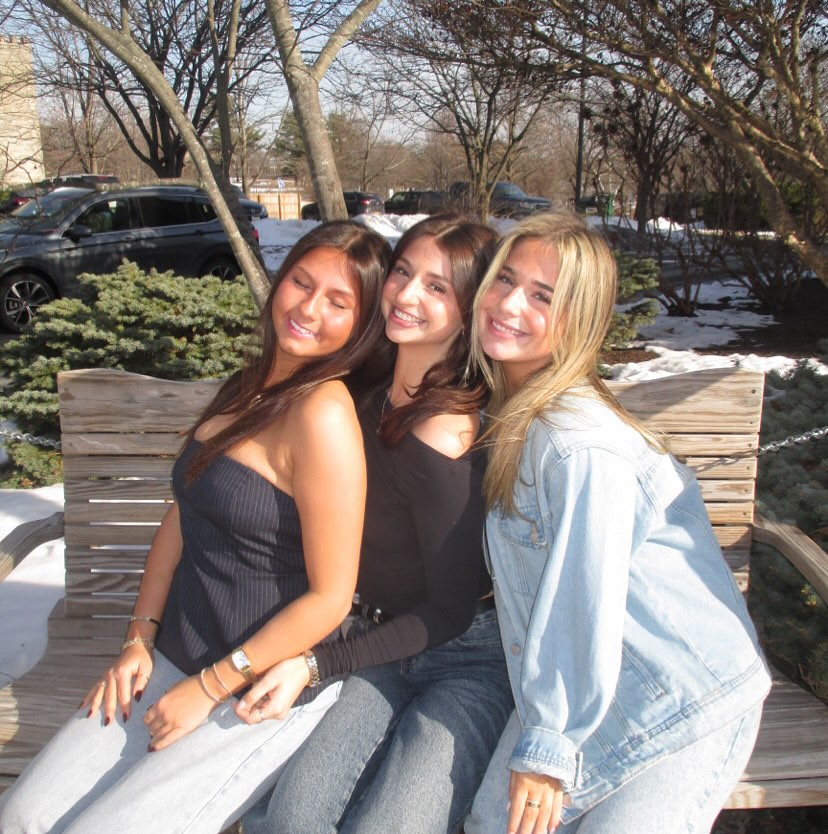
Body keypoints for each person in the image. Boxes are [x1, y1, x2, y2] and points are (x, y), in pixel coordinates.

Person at [0, 221, 392, 834]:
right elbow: (183, 514)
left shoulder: (323, 414)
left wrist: (210, 688)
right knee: (23, 817)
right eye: (301, 282)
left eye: (339, 302)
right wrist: (138, 638)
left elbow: (331, 598)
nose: (309, 308)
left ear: (362, 326)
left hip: (255, 691)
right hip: (172, 656)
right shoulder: (248, 385)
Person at [463, 212, 772, 834]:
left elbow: (579, 595)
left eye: (543, 296)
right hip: (582, 682)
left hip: (679, 697)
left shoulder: (578, 444)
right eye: (506, 279)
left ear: (579, 318)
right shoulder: (512, 409)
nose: (509, 304)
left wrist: (547, 747)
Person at [238, 215, 514, 834]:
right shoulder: (359, 394)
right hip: (375, 642)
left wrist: (314, 664)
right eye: (403, 272)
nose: (407, 294)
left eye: (437, 287)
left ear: (471, 310)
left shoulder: (448, 432)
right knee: (293, 819)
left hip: (465, 658)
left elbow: (449, 612)